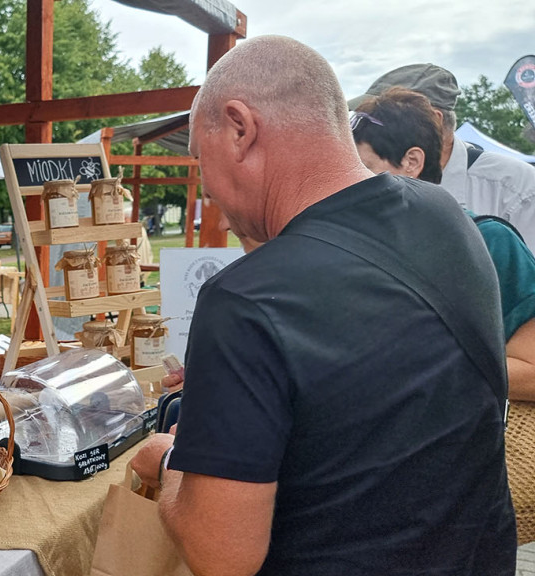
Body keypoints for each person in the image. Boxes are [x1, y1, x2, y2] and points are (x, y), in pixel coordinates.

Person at [132, 35, 515, 575]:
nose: (207, 187)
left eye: (200, 156)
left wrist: (169, 461)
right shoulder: (445, 215)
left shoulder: (244, 300)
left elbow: (221, 555)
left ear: (240, 129)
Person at [351, 87, 535, 399]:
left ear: (412, 161)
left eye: (362, 168)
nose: (347, 183)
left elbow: (531, 372)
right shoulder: (349, 247)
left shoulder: (490, 241)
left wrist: (405, 373)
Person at [350, 63, 535, 245]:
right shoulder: (375, 187)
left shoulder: (517, 188)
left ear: (435, 121)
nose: (367, 128)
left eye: (378, 119)